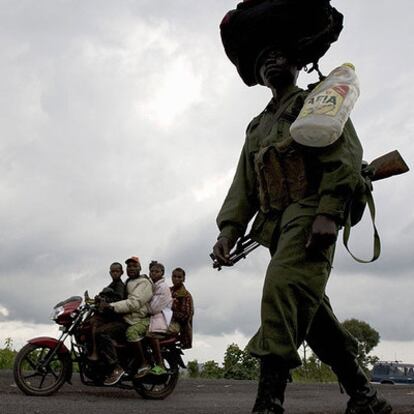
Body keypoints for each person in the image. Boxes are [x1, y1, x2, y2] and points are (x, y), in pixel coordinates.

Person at [213, 2, 392, 413]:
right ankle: (365, 397)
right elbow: (244, 183)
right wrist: (228, 231)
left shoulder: (315, 102)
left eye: (280, 54)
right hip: (275, 225)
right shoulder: (257, 126)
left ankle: (268, 403)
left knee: (281, 291)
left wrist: (329, 212)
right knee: (314, 320)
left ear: (296, 63)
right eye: (263, 59)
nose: (272, 61)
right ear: (257, 76)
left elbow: (345, 157)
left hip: (311, 214)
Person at [98, 256, 153, 385]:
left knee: (102, 333)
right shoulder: (129, 282)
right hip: (126, 317)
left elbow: (134, 303)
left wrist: (111, 306)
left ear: (140, 268)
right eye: (129, 266)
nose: (131, 268)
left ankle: (117, 367)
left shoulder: (144, 283)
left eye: (134, 266)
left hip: (134, 320)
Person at [87, 262, 126, 361]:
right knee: (92, 322)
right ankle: (94, 352)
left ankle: (113, 362)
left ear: (122, 272)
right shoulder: (112, 285)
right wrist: (98, 299)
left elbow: (118, 300)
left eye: (117, 271)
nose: (115, 273)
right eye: (113, 271)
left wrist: (105, 302)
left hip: (117, 320)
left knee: (100, 332)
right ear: (110, 272)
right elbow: (106, 295)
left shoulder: (120, 285)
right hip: (110, 318)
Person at [145, 261, 173, 375]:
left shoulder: (163, 287)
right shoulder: (154, 285)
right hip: (154, 316)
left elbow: (153, 308)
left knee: (151, 335)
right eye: (152, 271)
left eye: (157, 271)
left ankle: (159, 364)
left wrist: (142, 304)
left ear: (162, 273)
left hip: (160, 317)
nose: (153, 273)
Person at [168, 267, 194, 350]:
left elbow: (185, 316)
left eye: (179, 277)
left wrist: (169, 312)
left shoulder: (186, 295)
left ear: (184, 279)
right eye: (174, 276)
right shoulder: (168, 290)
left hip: (178, 325)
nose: (176, 279)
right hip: (166, 320)